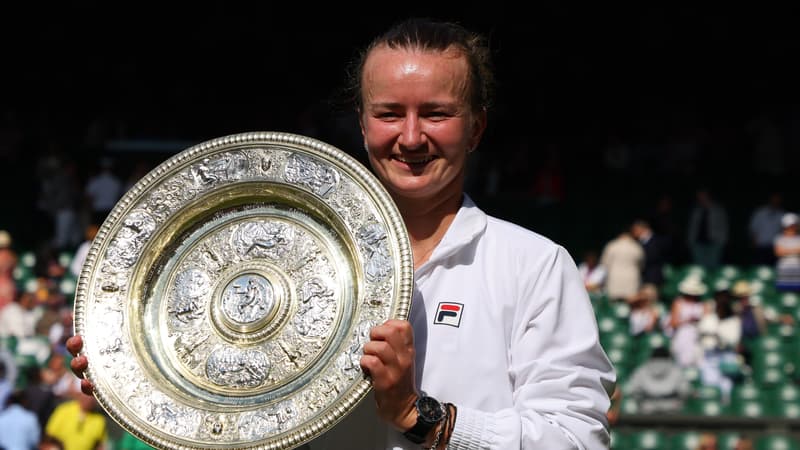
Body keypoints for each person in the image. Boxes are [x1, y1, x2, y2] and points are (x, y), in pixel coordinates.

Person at [66, 18, 616, 449]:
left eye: (438, 113)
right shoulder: (285, 256)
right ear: (361, 123)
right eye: (389, 113)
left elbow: (576, 440)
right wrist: (146, 383)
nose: (411, 136)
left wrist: (418, 417)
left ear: (477, 127)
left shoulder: (534, 266)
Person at [774, 212, 800, 291]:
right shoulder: (779, 238)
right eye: (789, 226)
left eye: (793, 226)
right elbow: (778, 252)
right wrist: (795, 250)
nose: (791, 228)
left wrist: (786, 250)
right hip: (784, 269)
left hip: (797, 269)